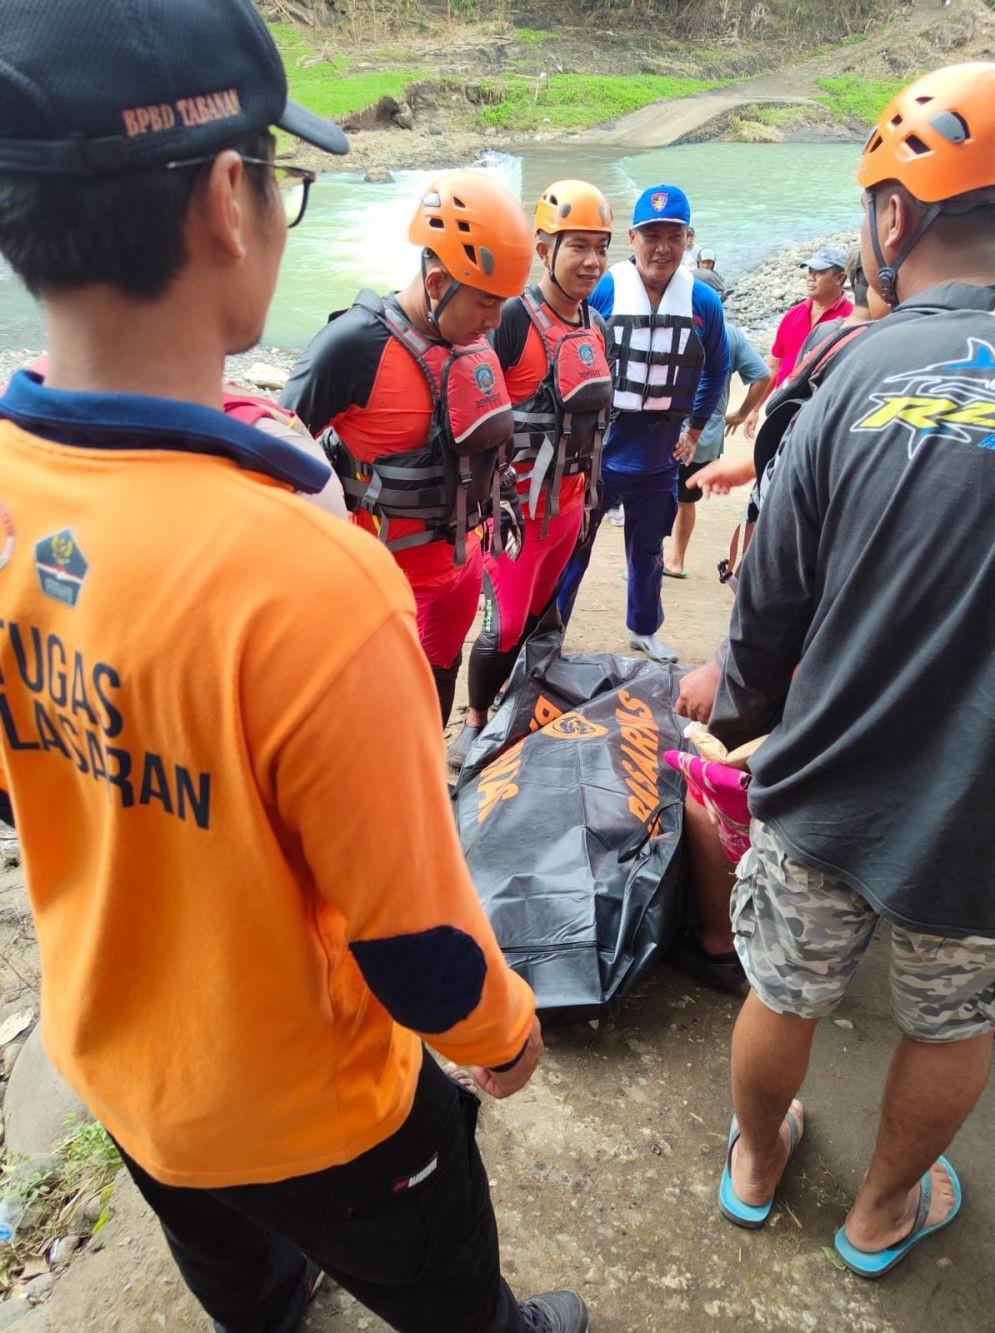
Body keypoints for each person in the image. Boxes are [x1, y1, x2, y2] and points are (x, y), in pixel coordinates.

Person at [0, 4, 587, 1330]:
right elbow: (421, 946)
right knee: (454, 1297)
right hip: (313, 1110)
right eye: (282, 176)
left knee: (252, 1299)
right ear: (226, 201)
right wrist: (503, 1038)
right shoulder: (309, 580)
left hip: (128, 1070)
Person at [709, 62, 995, 1275]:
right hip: (979, 805)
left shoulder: (843, 378)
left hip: (828, 769)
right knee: (952, 1015)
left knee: (783, 987)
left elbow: (768, 596)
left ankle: (758, 1160)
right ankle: (881, 1212)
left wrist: (743, 716)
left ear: (894, 216)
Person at [281, 171, 533, 727]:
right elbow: (277, 455)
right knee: (373, 712)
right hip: (382, 583)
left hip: (462, 565)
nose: (498, 320)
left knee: (440, 672)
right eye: (487, 304)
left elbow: (488, 436)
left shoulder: (475, 339)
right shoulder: (350, 348)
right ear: (440, 283)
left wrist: (506, 494)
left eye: (504, 304)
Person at [450, 181, 613, 766]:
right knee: (505, 621)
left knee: (541, 617)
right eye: (578, 246)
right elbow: (470, 401)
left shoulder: (597, 325)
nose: (591, 260)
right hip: (515, 516)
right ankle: (473, 720)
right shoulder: (512, 320)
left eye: (601, 246)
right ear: (545, 248)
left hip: (569, 508)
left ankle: (517, 706)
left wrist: (589, 498)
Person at [555, 185, 729, 664]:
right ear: (632, 238)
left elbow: (717, 366)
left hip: (659, 458)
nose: (662, 248)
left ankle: (644, 629)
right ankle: (550, 633)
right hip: (601, 454)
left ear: (689, 239)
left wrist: (694, 430)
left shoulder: (703, 303)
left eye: (673, 236)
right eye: (651, 235)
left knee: (649, 551)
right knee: (574, 548)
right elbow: (565, 350)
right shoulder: (606, 289)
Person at [665, 313, 771, 580]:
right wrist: (741, 412)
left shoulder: (666, 322)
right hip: (704, 436)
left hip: (663, 429)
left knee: (654, 495)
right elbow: (761, 375)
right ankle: (676, 560)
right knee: (685, 498)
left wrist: (743, 413)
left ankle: (648, 560)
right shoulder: (729, 333)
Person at [767, 244, 852, 387]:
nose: (810, 278)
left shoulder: (851, 318)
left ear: (839, 278)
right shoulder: (793, 313)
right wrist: (756, 408)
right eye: (810, 271)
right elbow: (775, 365)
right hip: (782, 402)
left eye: (819, 272)